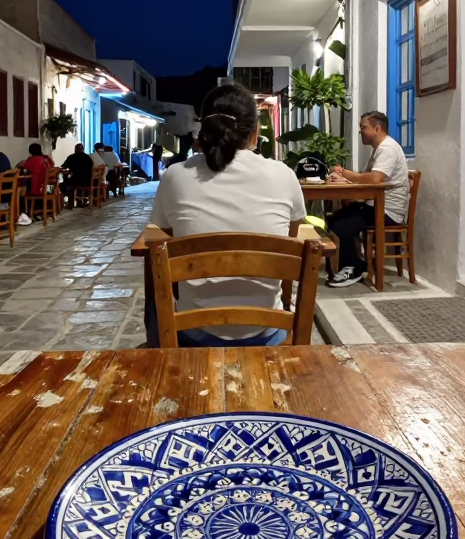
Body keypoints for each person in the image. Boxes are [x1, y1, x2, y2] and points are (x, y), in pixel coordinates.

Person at [149, 82, 306, 347]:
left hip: (193, 332)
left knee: (154, 291)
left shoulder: (175, 175)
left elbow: (169, 235)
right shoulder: (284, 175)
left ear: (205, 129)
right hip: (267, 331)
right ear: (254, 133)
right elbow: (291, 239)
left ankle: (160, 360)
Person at [325, 110, 409, 287]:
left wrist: (343, 173)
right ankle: (354, 263)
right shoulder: (379, 149)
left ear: (377, 128)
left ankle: (353, 268)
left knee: (341, 225)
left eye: (363, 127)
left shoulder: (387, 149)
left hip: (387, 211)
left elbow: (373, 179)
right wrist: (343, 180)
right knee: (335, 218)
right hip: (375, 205)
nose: (360, 131)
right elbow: (365, 176)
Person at [61, 143, 95, 208]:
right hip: (88, 182)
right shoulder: (88, 158)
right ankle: (81, 200)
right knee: (73, 182)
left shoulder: (71, 157)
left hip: (76, 181)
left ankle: (71, 202)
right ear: (83, 149)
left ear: (75, 149)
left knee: (64, 185)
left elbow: (64, 167)